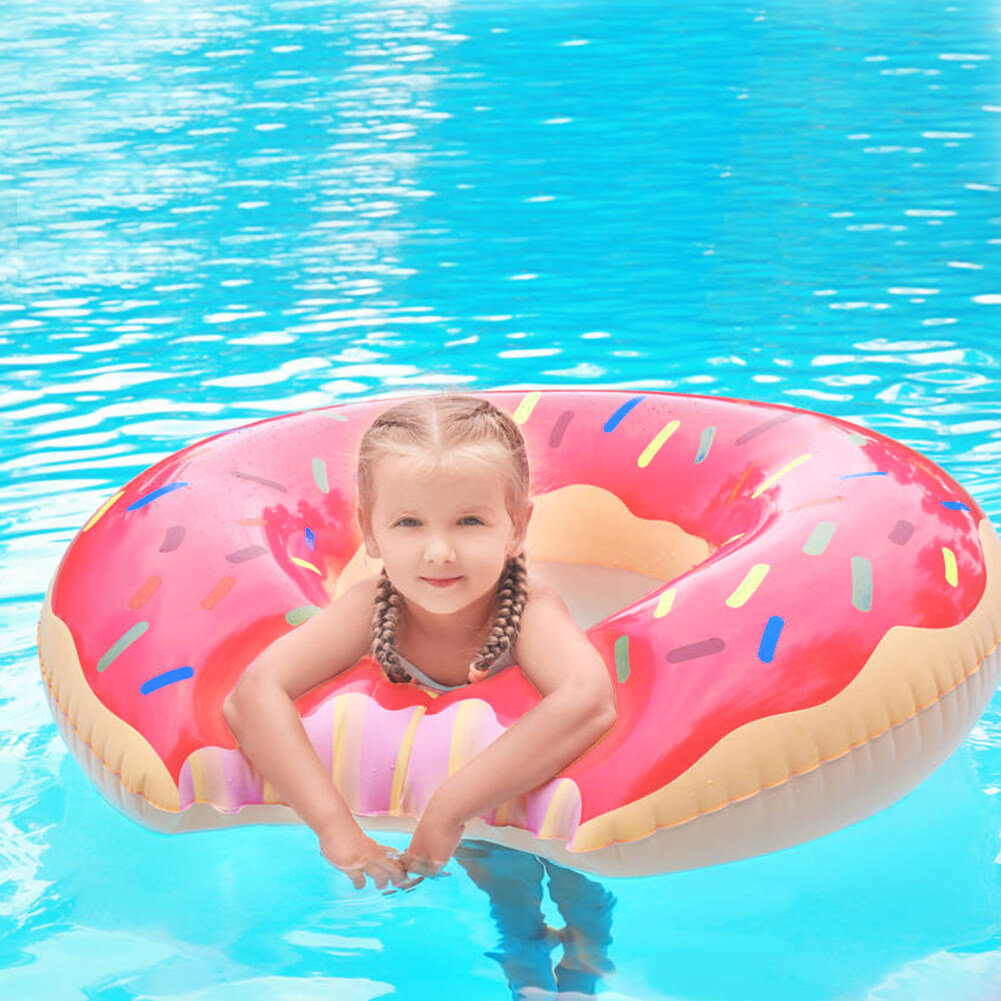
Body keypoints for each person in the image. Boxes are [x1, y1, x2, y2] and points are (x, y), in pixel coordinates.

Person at [222, 394, 618, 891]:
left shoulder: (529, 611)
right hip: (470, 831)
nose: (439, 552)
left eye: (469, 521)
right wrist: (334, 828)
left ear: (517, 526)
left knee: (571, 889)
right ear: (369, 530)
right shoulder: (369, 608)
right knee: (505, 893)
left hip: (526, 804)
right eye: (408, 523)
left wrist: (448, 808)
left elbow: (589, 699)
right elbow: (253, 694)